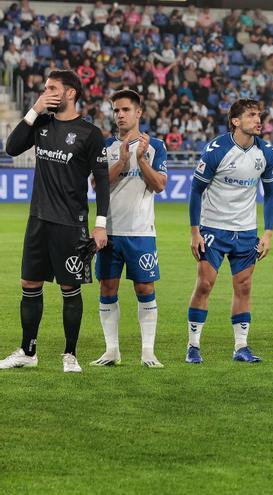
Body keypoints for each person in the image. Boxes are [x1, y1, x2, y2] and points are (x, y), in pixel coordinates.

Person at [0, 70, 109, 373]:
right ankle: (27, 350)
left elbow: (101, 181)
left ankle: (69, 355)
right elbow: (11, 147)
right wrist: (35, 109)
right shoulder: (42, 124)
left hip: (70, 224)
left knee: (69, 287)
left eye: (52, 88)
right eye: (45, 88)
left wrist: (100, 225)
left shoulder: (90, 134)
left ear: (70, 93)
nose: (46, 92)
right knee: (29, 283)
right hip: (38, 219)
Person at [185, 99, 273, 364]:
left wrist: (268, 233)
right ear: (236, 121)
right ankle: (193, 346)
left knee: (244, 286)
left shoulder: (266, 152)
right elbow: (195, 190)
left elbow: (270, 194)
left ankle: (241, 347)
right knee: (204, 284)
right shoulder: (217, 149)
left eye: (259, 115)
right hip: (214, 227)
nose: (258, 120)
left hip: (247, 231)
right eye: (251, 115)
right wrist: (195, 232)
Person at [90, 90, 168, 368]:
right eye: (115, 110)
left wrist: (141, 158)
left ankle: (148, 351)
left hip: (141, 232)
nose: (119, 115)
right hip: (110, 231)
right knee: (107, 287)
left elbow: (159, 185)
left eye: (125, 110)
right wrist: (122, 162)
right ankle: (112, 351)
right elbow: (96, 185)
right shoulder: (106, 146)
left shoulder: (155, 145)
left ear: (138, 113)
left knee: (145, 289)